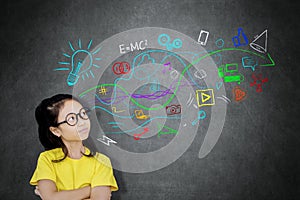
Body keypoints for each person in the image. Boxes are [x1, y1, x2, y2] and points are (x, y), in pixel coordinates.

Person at [30, 94, 118, 200]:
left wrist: (57, 196)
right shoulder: (47, 159)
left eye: (83, 114)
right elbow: (51, 198)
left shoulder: (101, 161)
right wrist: (89, 190)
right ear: (56, 131)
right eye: (72, 118)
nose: (82, 122)